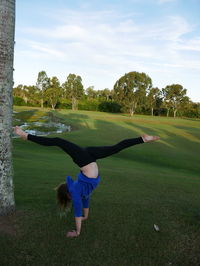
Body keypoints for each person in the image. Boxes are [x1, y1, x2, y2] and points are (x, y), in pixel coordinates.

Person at [14, 126, 159, 238]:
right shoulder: (82, 193)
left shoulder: (77, 194)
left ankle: (25, 135)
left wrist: (77, 232)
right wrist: (86, 216)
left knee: (58, 141)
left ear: (69, 196)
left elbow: (77, 213)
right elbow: (85, 203)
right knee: (115, 148)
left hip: (85, 160)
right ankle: (142, 139)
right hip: (89, 156)